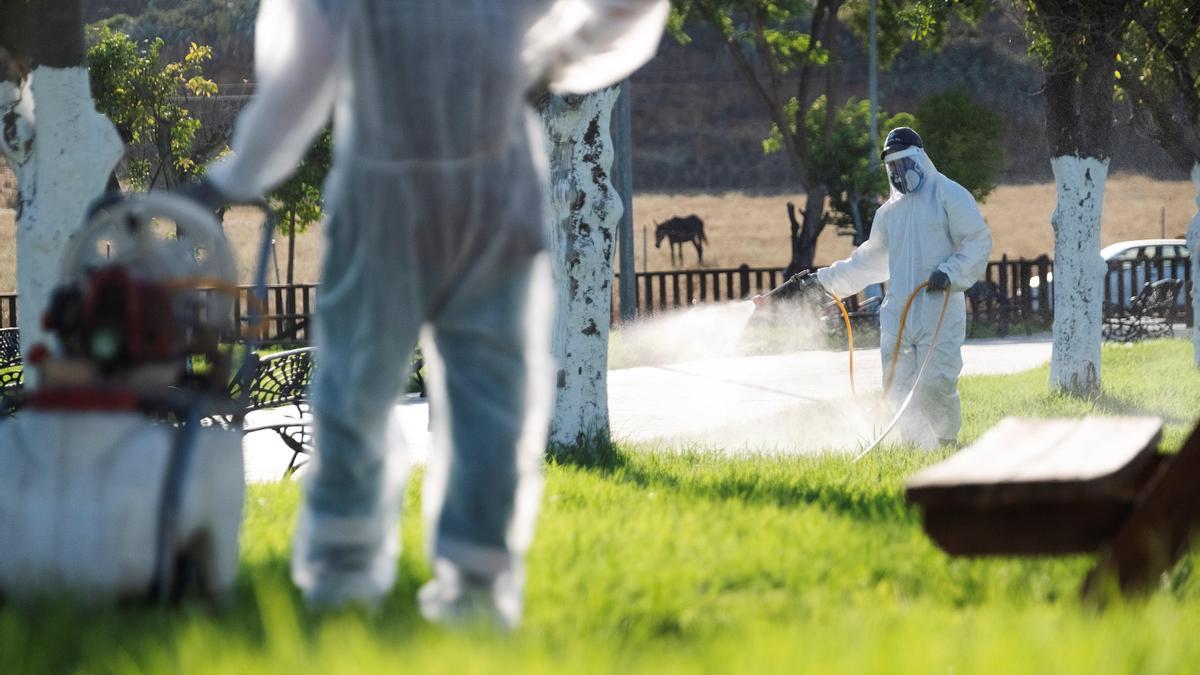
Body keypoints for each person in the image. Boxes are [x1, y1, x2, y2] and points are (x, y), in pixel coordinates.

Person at [192, 0, 669, 627]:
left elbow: (300, 78)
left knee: (356, 394)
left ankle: (344, 581)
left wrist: (229, 178)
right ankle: (473, 588)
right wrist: (546, 58)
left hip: (387, 198)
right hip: (487, 194)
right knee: (486, 404)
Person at [813, 127, 992, 448]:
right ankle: (915, 447)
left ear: (920, 160)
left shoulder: (949, 195)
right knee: (897, 387)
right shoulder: (889, 213)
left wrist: (950, 272)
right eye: (892, 166)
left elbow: (976, 241)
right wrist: (824, 281)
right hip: (898, 314)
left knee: (937, 381)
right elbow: (868, 262)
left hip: (939, 312)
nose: (898, 172)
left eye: (903, 163)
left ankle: (945, 441)